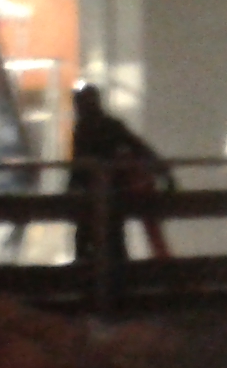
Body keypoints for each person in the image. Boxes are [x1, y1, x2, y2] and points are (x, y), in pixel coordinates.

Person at [69, 84, 171, 267]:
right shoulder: (106, 126)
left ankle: (91, 267)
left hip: (100, 192)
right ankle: (112, 269)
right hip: (110, 191)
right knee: (109, 236)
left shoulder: (87, 129)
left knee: (94, 234)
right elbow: (139, 147)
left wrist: (72, 188)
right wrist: (164, 173)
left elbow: (78, 165)